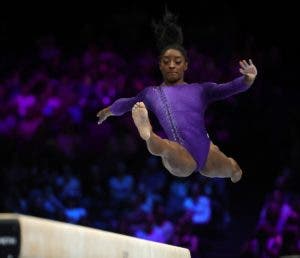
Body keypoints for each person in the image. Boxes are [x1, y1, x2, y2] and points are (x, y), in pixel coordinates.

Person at [97, 10, 257, 183]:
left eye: (177, 61)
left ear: (185, 65)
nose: (172, 65)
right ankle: (148, 134)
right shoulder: (152, 93)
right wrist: (108, 110)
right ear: (160, 65)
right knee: (166, 149)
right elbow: (127, 103)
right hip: (181, 152)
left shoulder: (201, 90)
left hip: (207, 151)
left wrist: (248, 79)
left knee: (235, 171)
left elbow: (229, 88)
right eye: (166, 61)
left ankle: (231, 165)